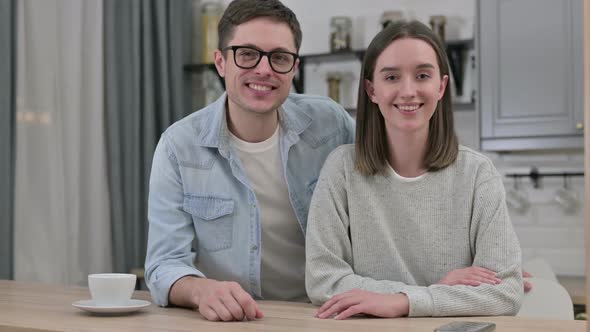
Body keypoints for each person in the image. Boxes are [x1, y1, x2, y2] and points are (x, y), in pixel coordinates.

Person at [144, 0, 355, 322]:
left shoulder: (331, 124)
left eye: (280, 57)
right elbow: (163, 265)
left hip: (328, 315)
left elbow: (393, 189)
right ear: (220, 62)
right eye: (247, 54)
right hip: (237, 321)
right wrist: (202, 291)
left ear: (294, 68)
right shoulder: (179, 146)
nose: (264, 69)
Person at [305, 20, 524, 319]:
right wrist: (434, 291)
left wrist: (403, 301)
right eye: (392, 77)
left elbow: (506, 292)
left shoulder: (477, 174)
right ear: (371, 89)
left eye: (422, 75)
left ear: (441, 86)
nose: (408, 91)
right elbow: (322, 280)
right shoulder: (342, 169)